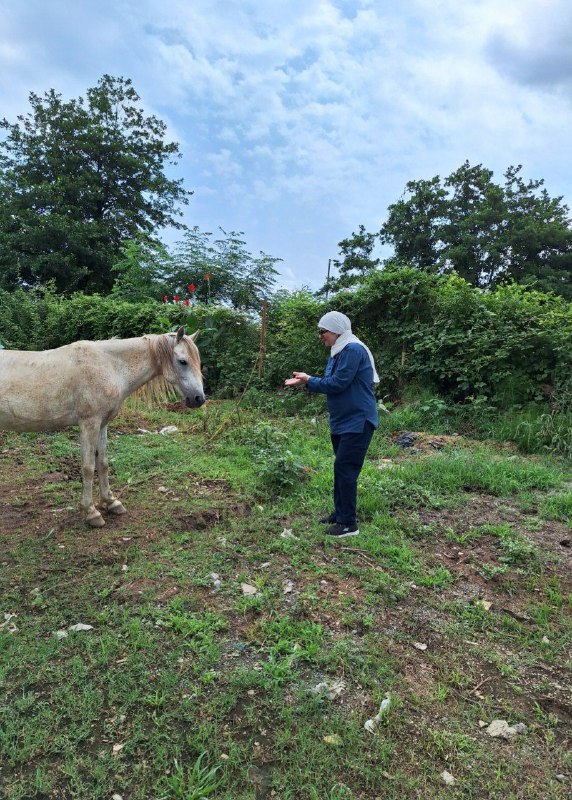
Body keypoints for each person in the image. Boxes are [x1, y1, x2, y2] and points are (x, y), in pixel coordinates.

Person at [284, 311, 379, 538]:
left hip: (358, 420)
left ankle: (348, 524)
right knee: (341, 468)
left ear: (336, 329)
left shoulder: (353, 350)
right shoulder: (338, 352)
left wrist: (308, 380)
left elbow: (337, 383)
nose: (320, 336)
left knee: (345, 469)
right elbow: (330, 383)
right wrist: (308, 381)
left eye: (322, 331)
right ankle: (340, 513)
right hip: (343, 421)